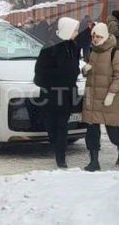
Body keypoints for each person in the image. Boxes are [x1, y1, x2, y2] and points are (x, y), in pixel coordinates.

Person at [34, 17, 91, 167]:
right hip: (52, 94)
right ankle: (55, 145)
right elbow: (39, 73)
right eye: (75, 30)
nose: (77, 33)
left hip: (67, 93)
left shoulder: (72, 46)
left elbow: (73, 66)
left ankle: (61, 157)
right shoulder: (50, 47)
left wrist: (79, 70)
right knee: (52, 125)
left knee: (62, 125)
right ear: (66, 30)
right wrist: (58, 77)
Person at [81, 21, 119, 171]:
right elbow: (90, 73)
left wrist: (112, 94)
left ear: (106, 36)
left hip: (108, 98)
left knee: (112, 129)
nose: (95, 39)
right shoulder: (93, 51)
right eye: (94, 35)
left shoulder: (115, 53)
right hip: (92, 96)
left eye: (99, 36)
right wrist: (85, 70)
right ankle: (94, 161)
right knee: (92, 130)